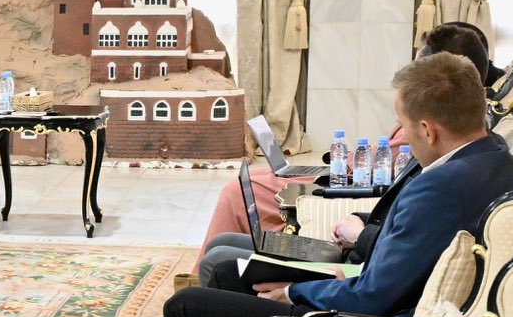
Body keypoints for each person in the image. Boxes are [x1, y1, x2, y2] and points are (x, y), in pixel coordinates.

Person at [161, 53, 513, 317]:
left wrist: (293, 292)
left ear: (428, 131)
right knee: (228, 273)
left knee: (184, 308)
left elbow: (371, 298)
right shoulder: (497, 158)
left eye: (402, 125)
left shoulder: (441, 188)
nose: (401, 134)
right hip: (373, 292)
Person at [193, 21, 497, 285]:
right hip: (354, 252)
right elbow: (398, 232)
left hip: (350, 273)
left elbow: (376, 290)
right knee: (221, 247)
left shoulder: (443, 181)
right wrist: (359, 223)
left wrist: (292, 291)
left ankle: (199, 288)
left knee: (216, 264)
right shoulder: (476, 161)